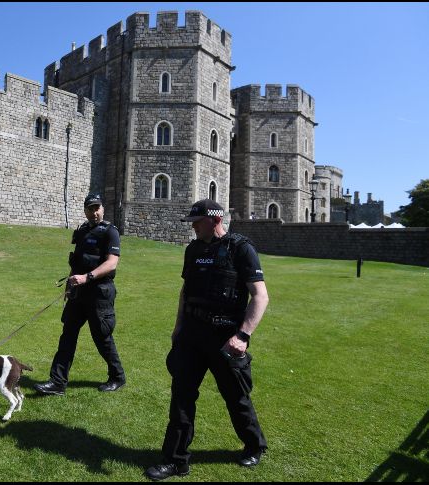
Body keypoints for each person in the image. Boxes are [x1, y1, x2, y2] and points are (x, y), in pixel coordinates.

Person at [145, 199, 269, 480]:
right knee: (181, 397)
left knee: (236, 396)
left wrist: (243, 335)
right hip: (192, 333)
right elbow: (185, 290)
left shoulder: (241, 248)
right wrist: (178, 328)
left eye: (197, 222)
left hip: (225, 337)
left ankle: (254, 445)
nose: (193, 227)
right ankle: (175, 460)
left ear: (215, 220)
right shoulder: (193, 249)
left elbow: (260, 296)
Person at [34, 193, 126, 396]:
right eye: (90, 208)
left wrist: (87, 277)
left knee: (102, 337)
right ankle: (57, 382)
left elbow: (112, 262)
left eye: (97, 208)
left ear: (102, 208)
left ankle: (117, 376)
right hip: (79, 293)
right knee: (68, 334)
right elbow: (76, 262)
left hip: (100, 292)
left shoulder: (110, 232)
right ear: (85, 211)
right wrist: (70, 283)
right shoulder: (82, 231)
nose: (94, 212)